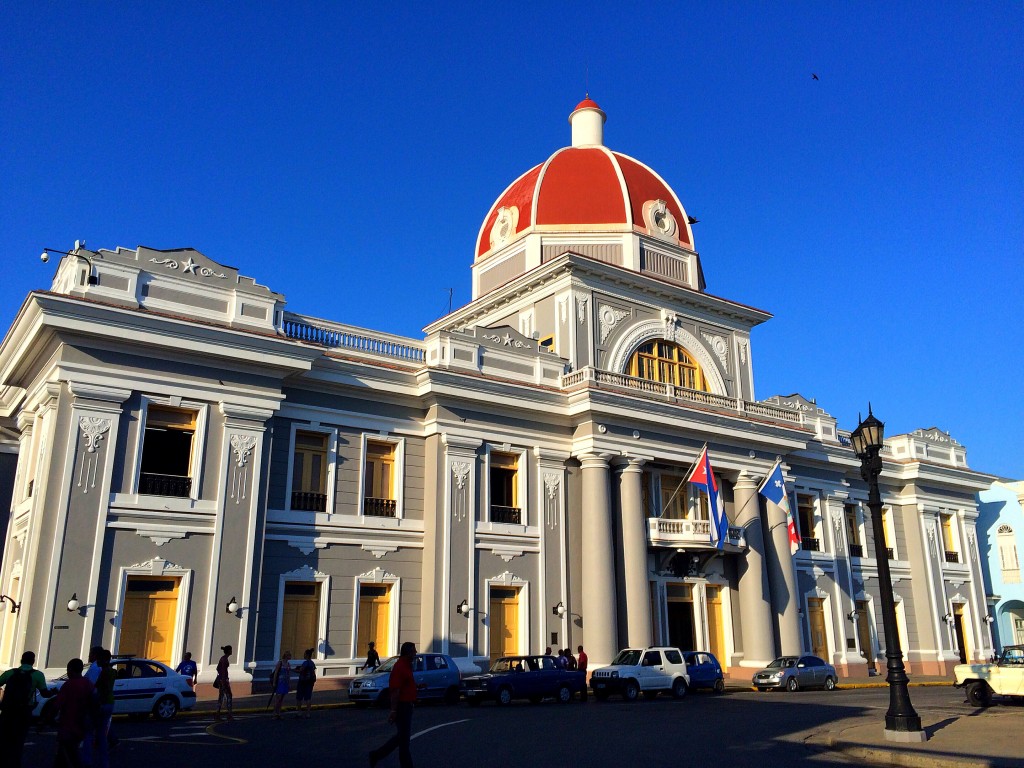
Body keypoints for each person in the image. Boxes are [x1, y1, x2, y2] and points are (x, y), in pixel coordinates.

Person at [0, 650, 56, 768]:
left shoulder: (10, 673)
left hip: (8, 710)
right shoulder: (37, 675)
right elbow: (45, 693)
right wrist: (53, 692)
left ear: (21, 660)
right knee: (19, 739)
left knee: (5, 737)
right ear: (33, 661)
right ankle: (15, 762)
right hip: (24, 710)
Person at [369, 641, 417, 768]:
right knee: (404, 740)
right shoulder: (400, 666)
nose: (415, 653)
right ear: (407, 653)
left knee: (402, 738)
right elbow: (395, 690)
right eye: (413, 651)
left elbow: (405, 685)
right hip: (403, 707)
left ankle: (376, 755)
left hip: (407, 705)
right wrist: (394, 710)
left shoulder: (407, 665)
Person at [53, 658, 95, 768]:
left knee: (68, 753)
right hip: (81, 723)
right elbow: (94, 702)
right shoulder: (88, 684)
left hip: (68, 724)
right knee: (71, 753)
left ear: (71, 670)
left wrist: (46, 719)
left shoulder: (69, 685)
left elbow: (57, 705)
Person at [83, 649, 116, 768]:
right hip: (109, 703)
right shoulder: (112, 671)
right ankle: (104, 763)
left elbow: (93, 687)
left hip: (98, 704)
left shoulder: (100, 672)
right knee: (102, 735)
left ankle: (87, 761)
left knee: (88, 733)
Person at [271, 650, 293, 720]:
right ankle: (275, 713)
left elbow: (289, 674)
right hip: (280, 682)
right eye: (289, 655)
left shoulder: (288, 664)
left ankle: (279, 713)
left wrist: (289, 683)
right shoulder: (280, 663)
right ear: (286, 656)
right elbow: (276, 673)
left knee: (281, 699)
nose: (290, 657)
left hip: (285, 682)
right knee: (278, 698)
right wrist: (274, 682)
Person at [295, 648, 316, 718]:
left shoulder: (305, 663)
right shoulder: (312, 663)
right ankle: (308, 713)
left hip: (303, 681)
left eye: (304, 654)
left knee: (299, 697)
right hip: (310, 682)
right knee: (308, 697)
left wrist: (294, 670)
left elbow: (301, 671)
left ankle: (299, 712)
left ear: (306, 655)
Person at [215, 645, 233, 721]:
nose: (232, 651)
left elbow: (218, 668)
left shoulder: (223, 658)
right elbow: (222, 671)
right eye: (231, 650)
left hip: (221, 680)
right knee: (229, 696)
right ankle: (229, 714)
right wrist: (225, 680)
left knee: (221, 696)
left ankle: (218, 714)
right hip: (223, 680)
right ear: (228, 651)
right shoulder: (224, 660)